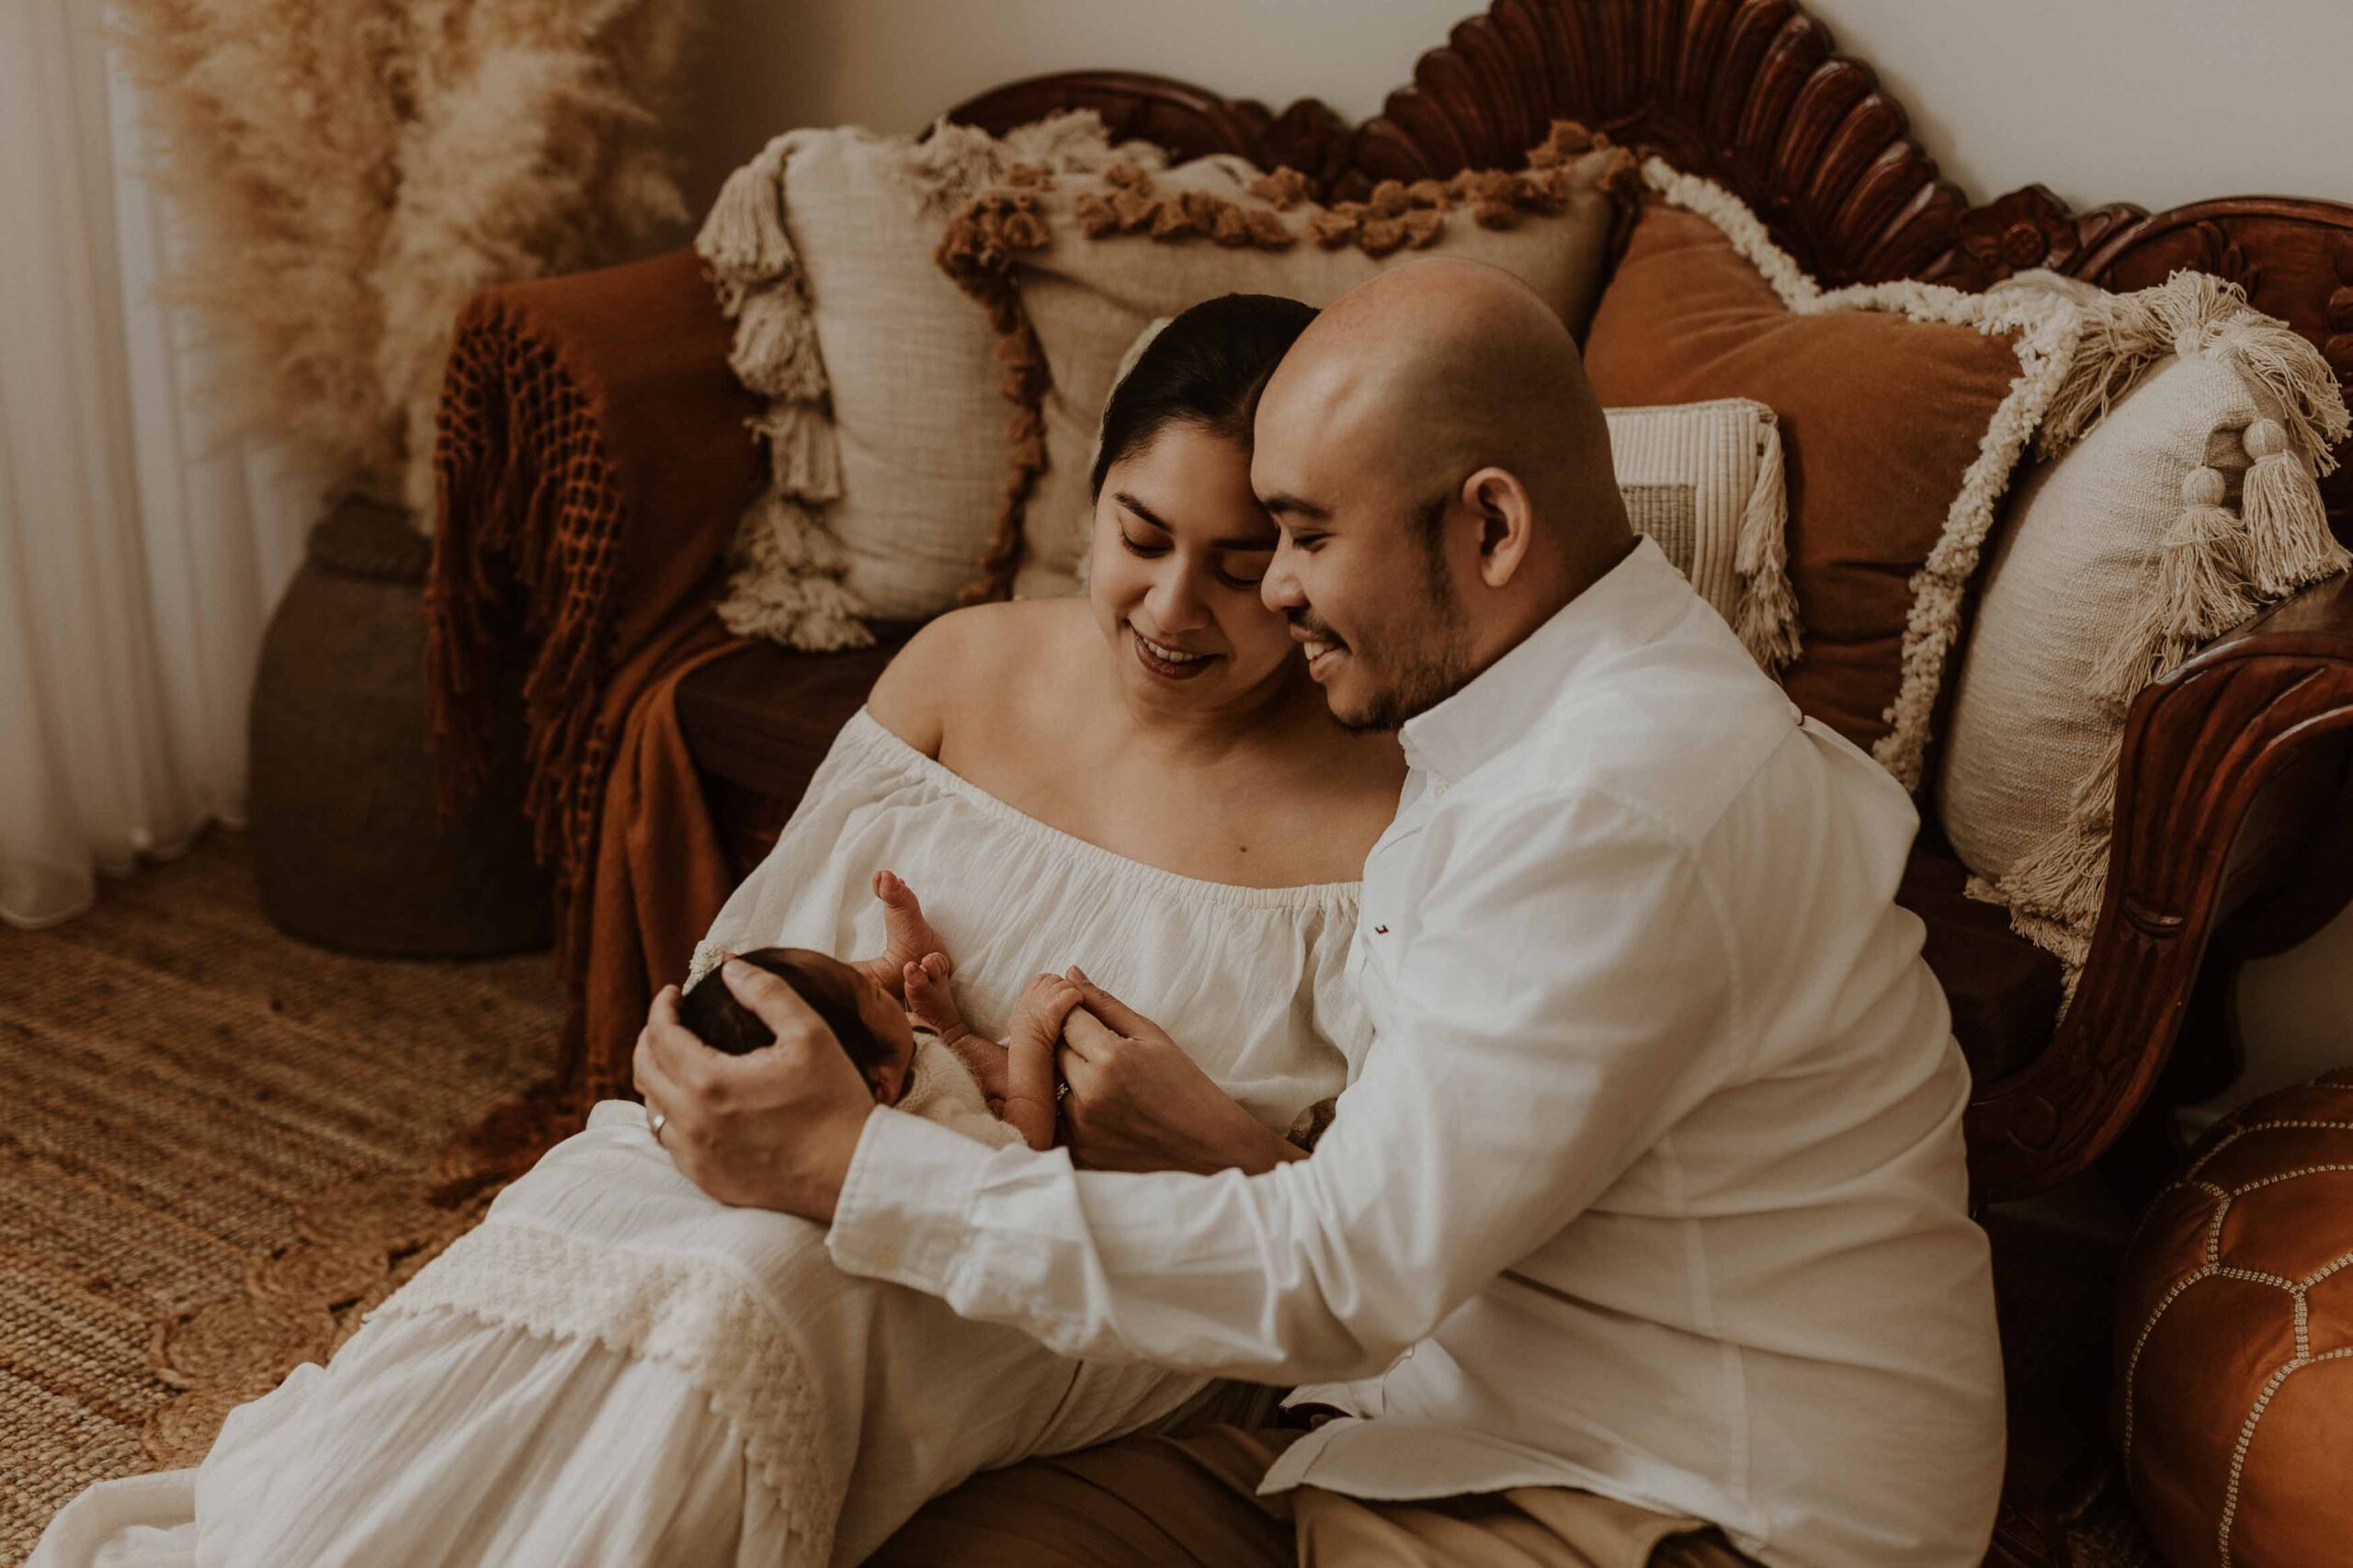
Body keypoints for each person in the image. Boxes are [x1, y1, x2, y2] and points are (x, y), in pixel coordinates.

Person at [636, 258, 2008, 1568]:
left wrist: (855, 1168)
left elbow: (1342, 1276)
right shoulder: (1525, 731)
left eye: (1297, 536)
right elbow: (1426, 1170)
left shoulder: (1610, 808)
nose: (1272, 589)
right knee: (865, 1523)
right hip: (1444, 1436)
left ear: (1489, 526)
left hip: (1685, 1511)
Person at [28, 293, 1407, 1567]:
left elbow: (1386, 1242)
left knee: (755, 1291)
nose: (1172, 610)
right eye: (1141, 536)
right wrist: (879, 1024)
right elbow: (739, 979)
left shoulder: (1393, 817)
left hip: (1103, 1264)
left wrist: (1194, 1139)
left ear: (1315, 564)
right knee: (574, 1219)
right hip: (824, 1132)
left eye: (1238, 566)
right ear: (1091, 503)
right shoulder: (964, 667)